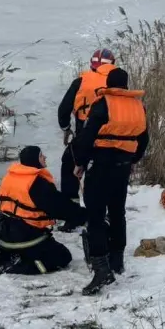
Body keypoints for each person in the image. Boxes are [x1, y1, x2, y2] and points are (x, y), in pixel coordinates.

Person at [72, 67, 149, 295]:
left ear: (108, 83)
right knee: (117, 213)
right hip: (122, 167)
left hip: (101, 165)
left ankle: (101, 269)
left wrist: (80, 163)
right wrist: (132, 158)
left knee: (95, 216)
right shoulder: (138, 106)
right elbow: (144, 139)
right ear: (126, 85)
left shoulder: (103, 103)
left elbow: (87, 137)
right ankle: (117, 261)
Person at [0, 146, 87, 275]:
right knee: (63, 256)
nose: (45, 157)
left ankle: (4, 256)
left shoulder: (10, 177)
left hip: (5, 235)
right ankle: (18, 267)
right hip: (27, 237)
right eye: (42, 156)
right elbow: (60, 207)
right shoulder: (36, 183)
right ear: (34, 160)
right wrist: (85, 215)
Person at [56, 48, 118, 231]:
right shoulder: (116, 82)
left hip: (84, 134)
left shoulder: (81, 81)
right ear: (112, 64)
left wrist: (66, 128)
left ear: (92, 65)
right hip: (111, 139)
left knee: (69, 165)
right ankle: (105, 212)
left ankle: (71, 214)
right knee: (104, 174)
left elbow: (63, 109)